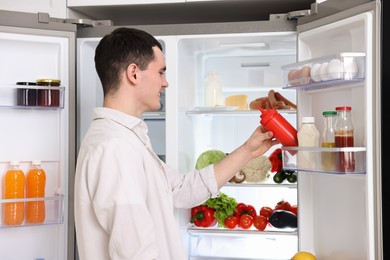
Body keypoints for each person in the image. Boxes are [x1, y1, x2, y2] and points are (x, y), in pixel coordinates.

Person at [74, 27, 278, 260]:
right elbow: (135, 251)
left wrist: (247, 151)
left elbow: (181, 189)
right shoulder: (114, 147)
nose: (166, 83)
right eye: (160, 72)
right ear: (134, 73)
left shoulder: (125, 138)